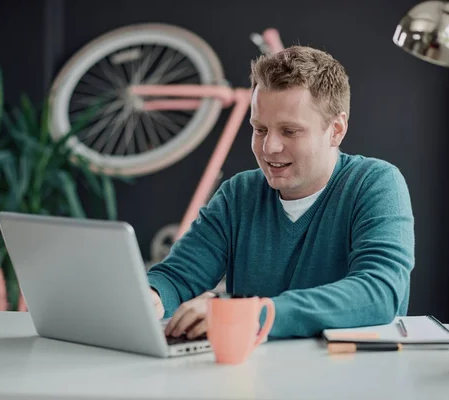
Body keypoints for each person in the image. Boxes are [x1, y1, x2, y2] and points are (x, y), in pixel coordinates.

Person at [147, 45, 415, 340]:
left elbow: (379, 293)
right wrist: (151, 297)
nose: (269, 147)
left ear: (336, 130)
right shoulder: (238, 194)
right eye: (259, 129)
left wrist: (252, 315)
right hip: (251, 376)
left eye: (289, 131)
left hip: (346, 376)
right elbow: (176, 277)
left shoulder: (375, 184)